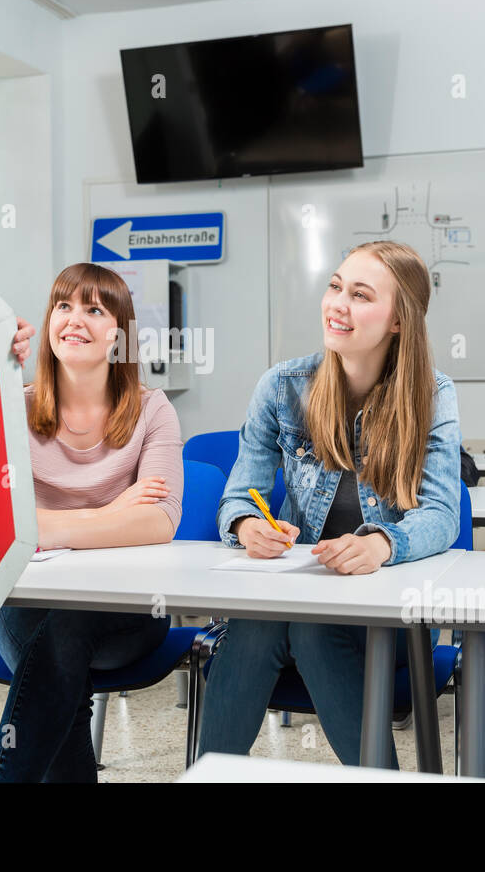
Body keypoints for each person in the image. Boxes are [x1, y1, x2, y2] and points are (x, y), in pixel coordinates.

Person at [196, 240, 462, 766]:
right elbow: (236, 497)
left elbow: (442, 514)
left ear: (398, 322)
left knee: (310, 630)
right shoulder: (282, 387)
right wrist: (249, 526)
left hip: (380, 613)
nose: (337, 303)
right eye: (335, 286)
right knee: (262, 622)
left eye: (360, 295)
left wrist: (385, 544)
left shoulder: (432, 394)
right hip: (296, 597)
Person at [0, 263, 184, 782]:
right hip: (26, 603)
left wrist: (45, 527)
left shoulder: (152, 411)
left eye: (94, 309)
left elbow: (160, 521)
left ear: (118, 334)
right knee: (59, 670)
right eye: (64, 306)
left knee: (65, 634)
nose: (75, 320)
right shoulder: (12, 407)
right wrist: (111, 514)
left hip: (126, 610)